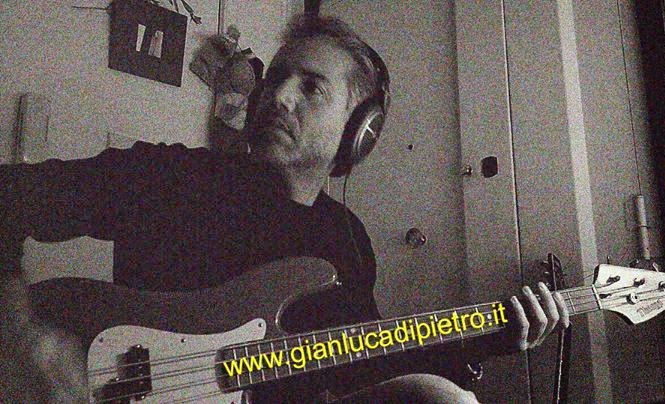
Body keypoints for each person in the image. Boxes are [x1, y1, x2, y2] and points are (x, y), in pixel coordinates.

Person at [0, 14, 569, 403]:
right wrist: (22, 333)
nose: (277, 96)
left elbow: (363, 362)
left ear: (359, 131)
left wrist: (485, 342)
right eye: (275, 77)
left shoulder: (345, 239)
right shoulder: (168, 175)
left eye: (311, 87)